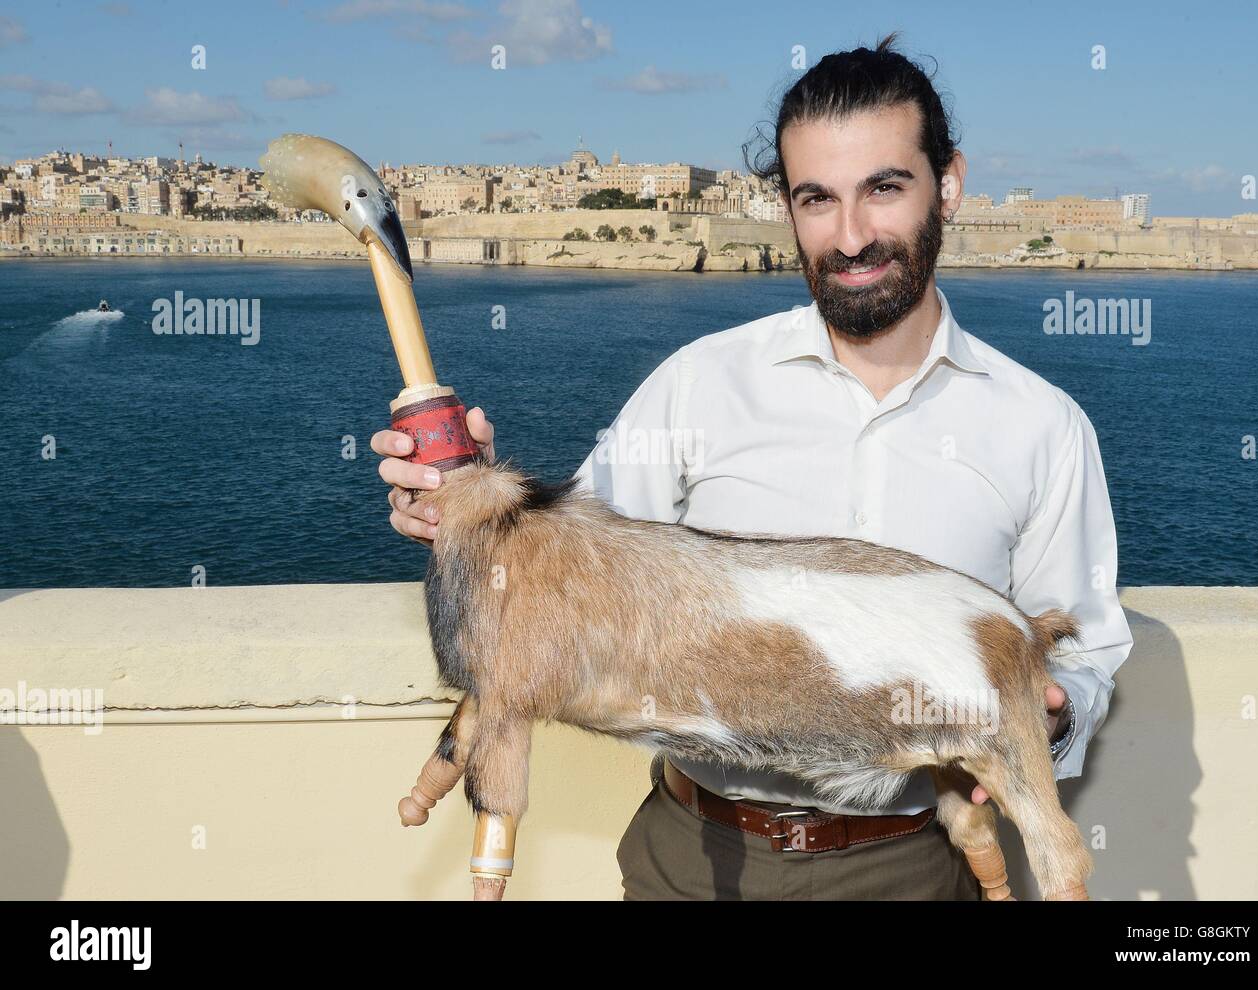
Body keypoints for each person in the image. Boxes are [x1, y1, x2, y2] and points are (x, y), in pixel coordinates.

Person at [371, 34, 1133, 900]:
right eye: (817, 199)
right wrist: (470, 507)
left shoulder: (1044, 427)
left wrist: (1049, 705)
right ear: (787, 209)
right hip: (692, 858)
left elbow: (1090, 652)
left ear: (948, 183)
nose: (851, 237)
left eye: (884, 188)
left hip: (913, 869)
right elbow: (554, 580)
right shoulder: (698, 385)